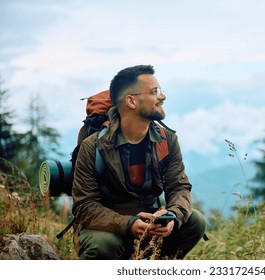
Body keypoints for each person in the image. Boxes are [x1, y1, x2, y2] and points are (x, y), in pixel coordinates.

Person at [72, 65, 207, 259]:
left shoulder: (167, 140)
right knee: (103, 245)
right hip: (107, 227)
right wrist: (128, 224)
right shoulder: (93, 146)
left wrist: (172, 217)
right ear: (131, 101)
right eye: (154, 92)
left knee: (195, 221)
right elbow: (84, 207)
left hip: (150, 222)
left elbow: (179, 187)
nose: (163, 97)